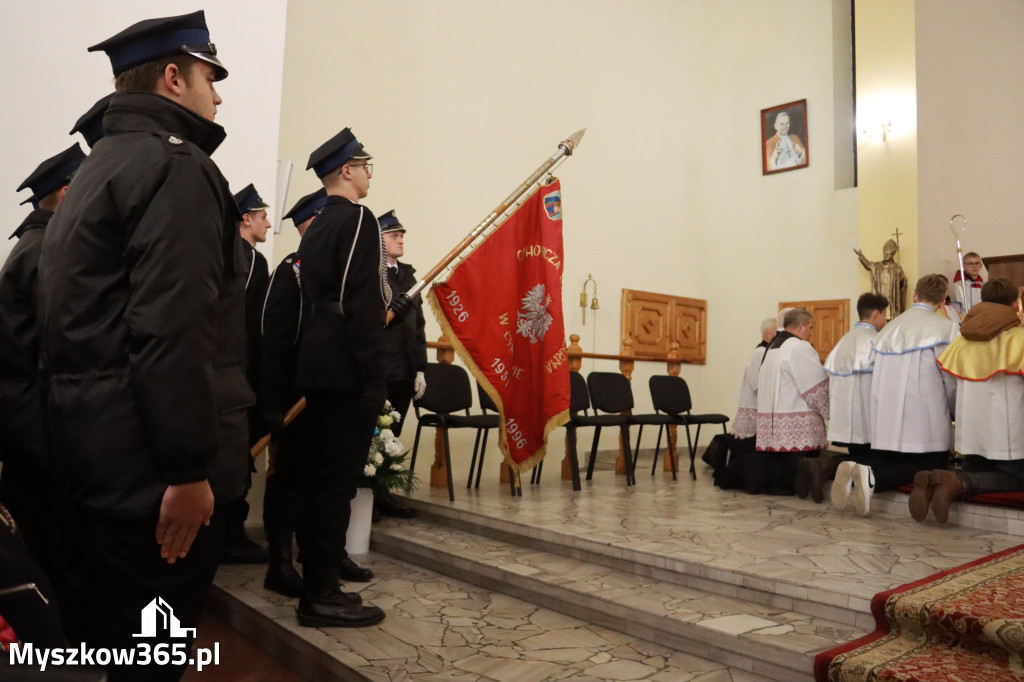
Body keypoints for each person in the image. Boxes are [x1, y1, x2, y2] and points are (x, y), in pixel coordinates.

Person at [37, 12, 248, 681]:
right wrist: (188, 472)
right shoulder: (174, 166)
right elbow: (172, 328)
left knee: (111, 645)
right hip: (152, 475)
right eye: (210, 77)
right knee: (150, 659)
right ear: (172, 78)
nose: (219, 95)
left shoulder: (104, 164)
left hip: (98, 456)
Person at [293, 127, 396, 628]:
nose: (369, 174)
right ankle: (320, 594)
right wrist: (373, 377)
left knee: (320, 480)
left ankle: (321, 581)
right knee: (335, 484)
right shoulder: (358, 219)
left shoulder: (318, 225)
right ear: (345, 172)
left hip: (317, 360)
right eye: (364, 166)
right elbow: (361, 302)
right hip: (345, 366)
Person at [0, 144, 86, 580]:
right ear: (69, 193)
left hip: (26, 424)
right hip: (38, 429)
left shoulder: (34, 243)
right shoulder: (47, 249)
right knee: (49, 553)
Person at [833, 275, 957, 517]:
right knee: (930, 465)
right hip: (924, 411)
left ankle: (858, 470)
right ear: (943, 300)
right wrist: (956, 408)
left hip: (887, 412)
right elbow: (950, 374)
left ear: (914, 296)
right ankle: (872, 477)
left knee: (894, 459)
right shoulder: (945, 327)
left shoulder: (890, 327)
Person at [259, 187, 328, 597]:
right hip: (293, 401)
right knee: (288, 480)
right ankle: (279, 563)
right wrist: (271, 406)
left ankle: (320, 556)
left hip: (322, 396)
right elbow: (274, 342)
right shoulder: (293, 272)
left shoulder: (328, 271)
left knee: (319, 480)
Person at [911, 278, 1024, 523]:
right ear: (1015, 304)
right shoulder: (1019, 338)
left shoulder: (963, 339)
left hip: (971, 432)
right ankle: (957, 481)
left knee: (977, 467)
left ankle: (943, 479)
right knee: (1018, 478)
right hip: (1008, 432)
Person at [222, 183, 272, 564]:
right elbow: (255, 326)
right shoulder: (252, 260)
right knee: (237, 459)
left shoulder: (218, 251)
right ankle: (231, 535)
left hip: (220, 370)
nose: (268, 224)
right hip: (241, 372)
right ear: (245, 219)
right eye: (262, 216)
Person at [797, 293, 888, 503]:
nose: (884, 321)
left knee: (857, 454)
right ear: (875, 314)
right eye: (884, 315)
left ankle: (821, 466)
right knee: (869, 458)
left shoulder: (844, 340)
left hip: (845, 417)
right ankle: (825, 467)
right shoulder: (875, 342)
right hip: (865, 415)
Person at [749, 309, 829, 495]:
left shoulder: (773, 347)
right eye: (810, 327)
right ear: (800, 326)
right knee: (798, 465)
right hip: (796, 419)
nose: (811, 332)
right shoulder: (799, 347)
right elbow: (814, 386)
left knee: (779, 468)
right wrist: (830, 408)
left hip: (774, 420)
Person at [377, 209, 425, 520]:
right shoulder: (371, 273)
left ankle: (385, 494)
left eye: (402, 234)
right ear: (379, 241)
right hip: (380, 368)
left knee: (393, 436)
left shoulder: (409, 276)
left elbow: (418, 327)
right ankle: (369, 495)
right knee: (374, 436)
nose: (400, 238)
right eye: (393, 234)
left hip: (405, 370)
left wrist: (421, 369)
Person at [731, 317, 777, 440]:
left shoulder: (769, 352)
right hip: (755, 405)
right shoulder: (760, 353)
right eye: (777, 331)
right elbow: (756, 384)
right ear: (767, 334)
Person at [854, 240, 907, 318]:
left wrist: (900, 277)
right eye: (884, 253)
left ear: (892, 255)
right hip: (880, 300)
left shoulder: (896, 268)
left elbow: (903, 283)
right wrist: (861, 256)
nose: (885, 256)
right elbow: (868, 265)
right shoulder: (877, 266)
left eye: (887, 254)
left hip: (892, 302)